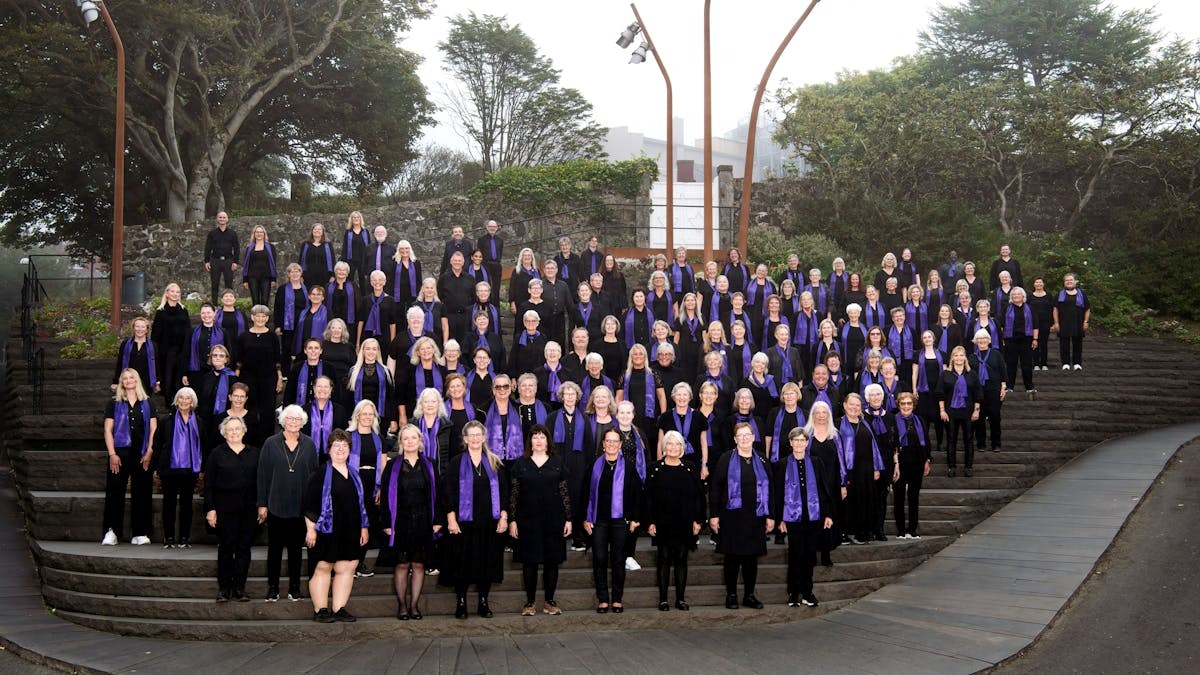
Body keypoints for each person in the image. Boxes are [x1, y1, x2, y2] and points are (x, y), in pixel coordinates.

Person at [441, 420, 509, 619]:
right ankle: (461, 602)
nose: (475, 439)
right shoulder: (456, 463)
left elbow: (504, 493)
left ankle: (483, 602)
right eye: (471, 435)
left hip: (489, 521)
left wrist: (504, 517)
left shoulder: (495, 462)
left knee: (487, 561)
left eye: (478, 435)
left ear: (484, 437)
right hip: (464, 522)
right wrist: (451, 519)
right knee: (462, 561)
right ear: (465, 439)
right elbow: (448, 492)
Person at [304, 429, 370, 623]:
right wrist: (311, 530)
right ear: (329, 449)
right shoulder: (319, 474)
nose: (340, 449)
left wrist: (364, 527)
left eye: (344, 446)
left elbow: (361, 505)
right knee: (323, 566)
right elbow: (308, 504)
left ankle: (339, 608)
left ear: (350, 449)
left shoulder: (355, 474)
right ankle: (321, 610)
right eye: (336, 446)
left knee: (347, 566)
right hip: (326, 529)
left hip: (351, 529)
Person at [378, 424, 441, 621]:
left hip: (423, 521)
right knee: (402, 565)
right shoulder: (392, 466)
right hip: (400, 522)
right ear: (400, 442)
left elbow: (438, 494)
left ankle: (414, 606)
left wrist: (438, 520)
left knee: (419, 565)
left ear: (420, 441)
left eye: (414, 438)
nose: (410, 441)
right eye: (406, 438)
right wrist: (386, 523)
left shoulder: (430, 464)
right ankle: (402, 606)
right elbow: (385, 496)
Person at [508, 425, 572, 616]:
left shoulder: (558, 462)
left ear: (548, 441)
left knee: (552, 561)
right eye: (535, 437)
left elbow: (565, 492)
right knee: (530, 562)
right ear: (530, 441)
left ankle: (549, 602)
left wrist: (569, 519)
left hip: (554, 519)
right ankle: (530, 603)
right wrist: (512, 520)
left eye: (542, 437)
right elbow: (513, 494)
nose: (538, 441)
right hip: (527, 520)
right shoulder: (520, 464)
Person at [258, 405, 320, 601]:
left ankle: (294, 588)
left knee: (296, 550)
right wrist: (262, 504)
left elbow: (314, 477)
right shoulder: (270, 443)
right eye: (290, 418)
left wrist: (312, 508)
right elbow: (262, 475)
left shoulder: (309, 444)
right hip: (275, 504)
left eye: (297, 419)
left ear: (302, 423)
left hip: (300, 507)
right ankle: (273, 588)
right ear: (283, 421)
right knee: (274, 550)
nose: (293, 422)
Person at [710, 422, 773, 609]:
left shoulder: (762, 459)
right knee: (732, 558)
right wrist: (714, 515)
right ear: (735, 439)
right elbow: (716, 488)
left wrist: (771, 515)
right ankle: (731, 595)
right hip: (731, 517)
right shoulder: (725, 459)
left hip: (756, 517)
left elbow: (772, 489)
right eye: (740, 435)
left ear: (753, 437)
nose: (744, 438)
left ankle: (749, 595)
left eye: (747, 435)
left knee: (751, 559)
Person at [771, 427, 835, 608]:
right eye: (796, 440)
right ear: (791, 442)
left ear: (807, 443)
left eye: (802, 440)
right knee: (795, 554)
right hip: (792, 518)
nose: (799, 443)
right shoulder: (782, 464)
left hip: (813, 516)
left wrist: (828, 514)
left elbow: (824, 489)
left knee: (809, 555)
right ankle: (794, 592)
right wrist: (780, 519)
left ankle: (808, 592)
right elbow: (778, 494)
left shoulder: (816, 462)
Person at [584, 427, 643, 613]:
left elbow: (637, 494)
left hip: (620, 521)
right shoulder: (594, 466)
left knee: (618, 560)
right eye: (608, 441)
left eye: (614, 441)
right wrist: (586, 518)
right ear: (603, 444)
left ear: (620, 444)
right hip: (599, 520)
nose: (611, 444)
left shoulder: (629, 467)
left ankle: (617, 599)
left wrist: (635, 518)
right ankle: (603, 599)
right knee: (599, 559)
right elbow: (585, 494)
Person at [645, 430, 704, 611]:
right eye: (669, 443)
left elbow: (699, 496)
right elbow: (648, 497)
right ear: (664, 446)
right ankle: (663, 600)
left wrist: (698, 520)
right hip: (662, 521)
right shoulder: (655, 468)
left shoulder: (690, 467)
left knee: (681, 559)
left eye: (677, 444)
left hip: (685, 521)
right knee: (663, 559)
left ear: (682, 447)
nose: (673, 447)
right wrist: (650, 521)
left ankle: (680, 599)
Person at [204, 416, 261, 602]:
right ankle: (224, 589)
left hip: (249, 509)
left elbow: (262, 482)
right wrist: (210, 509)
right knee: (226, 548)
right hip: (224, 510)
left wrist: (262, 505)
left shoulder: (255, 453)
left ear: (244, 431)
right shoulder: (216, 454)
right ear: (224, 433)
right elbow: (208, 485)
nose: (234, 432)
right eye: (230, 429)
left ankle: (239, 589)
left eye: (237, 428)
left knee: (244, 549)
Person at [102, 369, 158, 546]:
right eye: (125, 378)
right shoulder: (114, 403)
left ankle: (140, 532)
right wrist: (112, 453)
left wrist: (149, 451)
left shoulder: (149, 403)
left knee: (142, 491)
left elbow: (153, 429)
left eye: (131, 377)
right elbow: (108, 430)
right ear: (121, 382)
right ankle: (112, 531)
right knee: (115, 492)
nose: (128, 380)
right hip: (119, 453)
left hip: (142, 453)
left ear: (137, 380)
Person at [155, 387, 204, 549]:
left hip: (190, 469)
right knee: (168, 503)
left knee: (186, 504)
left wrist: (202, 468)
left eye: (188, 398)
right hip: (169, 468)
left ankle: (184, 537)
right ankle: (168, 537)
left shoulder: (199, 422)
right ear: (176, 401)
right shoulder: (166, 421)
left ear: (192, 402)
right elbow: (158, 444)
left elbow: (203, 445)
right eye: (181, 397)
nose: (184, 401)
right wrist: (157, 467)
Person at [839, 393, 883, 545]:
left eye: (857, 405)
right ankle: (845, 532)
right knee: (848, 502)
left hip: (866, 470)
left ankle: (861, 531)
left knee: (864, 501)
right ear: (845, 405)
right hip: (848, 470)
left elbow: (874, 446)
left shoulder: (865, 423)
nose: (854, 407)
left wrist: (876, 468)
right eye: (851, 404)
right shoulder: (838, 424)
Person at [235, 305, 281, 441]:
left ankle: (267, 442)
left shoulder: (273, 336)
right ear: (252, 317)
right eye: (257, 316)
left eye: (263, 316)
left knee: (268, 411)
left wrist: (279, 378)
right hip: (248, 378)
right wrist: (237, 377)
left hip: (268, 378)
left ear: (267, 318)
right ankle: (249, 440)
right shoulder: (243, 336)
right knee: (249, 409)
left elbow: (277, 359)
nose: (260, 319)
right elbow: (239, 359)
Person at [939, 347, 982, 478]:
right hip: (950, 412)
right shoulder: (945, 374)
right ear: (952, 358)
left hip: (968, 412)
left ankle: (968, 467)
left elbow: (978, 393)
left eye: (961, 355)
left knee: (968, 439)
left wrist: (976, 410)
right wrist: (942, 410)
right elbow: (940, 393)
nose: (959, 358)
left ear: (965, 358)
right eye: (956, 355)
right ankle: (951, 467)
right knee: (951, 439)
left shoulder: (972, 374)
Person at [892, 393, 930, 539]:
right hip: (899, 464)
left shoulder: (920, 420)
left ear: (913, 405)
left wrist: (927, 460)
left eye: (909, 403)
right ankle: (901, 529)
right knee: (899, 497)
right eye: (903, 403)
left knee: (914, 497)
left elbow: (926, 441)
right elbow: (891, 444)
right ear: (898, 405)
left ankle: (912, 529)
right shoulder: (893, 420)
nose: (906, 406)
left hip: (917, 463)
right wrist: (895, 463)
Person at [152, 284, 190, 404]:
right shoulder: (160, 312)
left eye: (178, 292)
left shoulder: (184, 311)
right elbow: (155, 335)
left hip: (181, 351)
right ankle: (169, 405)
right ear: (167, 294)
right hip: (165, 353)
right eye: (172, 291)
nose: (175, 294)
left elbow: (188, 332)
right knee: (167, 380)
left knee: (178, 381)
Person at [970, 330, 1007, 454]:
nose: (982, 341)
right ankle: (981, 443)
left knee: (995, 417)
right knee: (979, 419)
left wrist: (1003, 387)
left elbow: (1003, 370)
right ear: (976, 341)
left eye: (984, 338)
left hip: (994, 390)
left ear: (989, 340)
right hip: (978, 392)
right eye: (979, 338)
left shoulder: (996, 354)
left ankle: (996, 443)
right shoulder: (972, 357)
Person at [182, 303, 226, 389]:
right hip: (196, 372)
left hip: (217, 372)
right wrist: (184, 374)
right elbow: (186, 353)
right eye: (203, 313)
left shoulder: (223, 332)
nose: (206, 315)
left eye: (209, 312)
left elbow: (228, 352)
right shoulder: (192, 331)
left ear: (214, 313)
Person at [1052, 273, 1091, 370]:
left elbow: (1087, 309)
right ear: (1064, 282)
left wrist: (1086, 321)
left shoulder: (1082, 294)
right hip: (1063, 322)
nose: (1069, 282)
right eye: (1067, 280)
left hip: (1078, 322)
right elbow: (1055, 309)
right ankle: (1065, 363)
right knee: (1064, 343)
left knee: (1077, 343)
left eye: (1071, 280)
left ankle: (1077, 363)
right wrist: (1056, 323)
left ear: (1075, 281)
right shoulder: (1059, 294)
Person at [303, 376, 347, 460]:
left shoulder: (340, 410)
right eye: (319, 386)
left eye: (326, 386)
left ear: (331, 389)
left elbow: (344, 435)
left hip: (334, 457)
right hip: (307, 456)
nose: (322, 389)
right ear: (314, 388)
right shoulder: (303, 410)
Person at [1003, 287, 1038, 395]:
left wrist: (1035, 339)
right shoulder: (1006, 308)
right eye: (1014, 294)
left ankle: (1029, 387)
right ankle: (1009, 387)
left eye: (1018, 294)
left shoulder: (1030, 308)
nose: (1016, 296)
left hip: (1026, 339)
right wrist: (1002, 339)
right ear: (1011, 297)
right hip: (1010, 340)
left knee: (1026, 364)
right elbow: (1001, 325)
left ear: (1023, 296)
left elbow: (1035, 324)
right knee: (1010, 365)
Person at [114, 317, 158, 396]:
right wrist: (115, 382)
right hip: (129, 381)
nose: (140, 329)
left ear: (147, 329)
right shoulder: (125, 344)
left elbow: (157, 364)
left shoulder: (153, 345)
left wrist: (157, 382)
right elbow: (120, 363)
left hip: (146, 382)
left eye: (143, 327)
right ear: (133, 328)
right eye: (137, 326)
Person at [274, 264, 308, 369]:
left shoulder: (306, 289)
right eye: (292, 272)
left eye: (297, 271)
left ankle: (300, 370)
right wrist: (277, 325)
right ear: (288, 274)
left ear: (301, 273)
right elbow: (277, 308)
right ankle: (286, 372)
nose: (295, 274)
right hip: (287, 324)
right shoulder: (282, 289)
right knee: (287, 348)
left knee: (302, 347)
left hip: (302, 323)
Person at [437, 252, 475, 344]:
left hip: (465, 317)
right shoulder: (443, 278)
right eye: (455, 260)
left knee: (464, 343)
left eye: (459, 261)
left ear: (463, 262)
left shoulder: (470, 278)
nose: (457, 262)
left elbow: (473, 296)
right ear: (451, 262)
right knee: (450, 343)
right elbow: (439, 296)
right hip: (449, 316)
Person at [204, 211, 239, 302]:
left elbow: (236, 248)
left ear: (227, 219)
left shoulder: (232, 233)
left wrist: (235, 262)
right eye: (220, 217)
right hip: (215, 261)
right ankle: (214, 304)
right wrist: (207, 261)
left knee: (229, 284)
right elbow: (208, 248)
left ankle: (229, 303)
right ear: (217, 219)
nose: (222, 219)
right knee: (214, 284)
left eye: (224, 217)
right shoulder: (212, 233)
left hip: (228, 261)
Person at [285, 338, 327, 410]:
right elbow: (289, 391)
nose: (313, 350)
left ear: (321, 351)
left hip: (323, 410)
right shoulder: (297, 367)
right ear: (305, 350)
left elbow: (334, 392)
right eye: (310, 348)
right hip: (300, 410)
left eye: (316, 348)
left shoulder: (328, 368)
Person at [241, 224, 276, 307]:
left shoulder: (270, 247)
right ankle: (255, 316)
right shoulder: (249, 248)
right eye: (257, 232)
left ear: (264, 234)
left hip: (266, 277)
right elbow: (246, 264)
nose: (259, 234)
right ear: (254, 234)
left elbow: (273, 263)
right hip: (252, 277)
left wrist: (273, 279)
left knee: (265, 300)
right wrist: (245, 280)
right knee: (255, 301)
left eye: (261, 232)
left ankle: (264, 316)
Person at [293, 285, 330, 358]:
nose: (315, 296)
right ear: (309, 296)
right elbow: (297, 331)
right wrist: (293, 350)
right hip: (303, 348)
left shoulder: (328, 312)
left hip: (319, 350)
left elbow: (329, 332)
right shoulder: (303, 312)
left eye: (318, 294)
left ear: (323, 297)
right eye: (313, 294)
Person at [299, 222, 335, 291]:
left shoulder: (328, 244)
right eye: (315, 229)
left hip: (324, 276)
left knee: (324, 294)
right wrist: (300, 275)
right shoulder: (306, 244)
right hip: (308, 276)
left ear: (323, 232)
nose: (317, 231)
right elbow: (301, 260)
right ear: (312, 231)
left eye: (319, 229)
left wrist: (333, 275)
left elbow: (333, 260)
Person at [1028, 277, 1054, 370]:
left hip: (1045, 323)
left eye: (1040, 282)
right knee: (1034, 343)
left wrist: (1052, 323)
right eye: (1037, 282)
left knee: (1044, 343)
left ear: (1043, 284)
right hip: (1033, 324)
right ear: (1034, 284)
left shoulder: (1049, 296)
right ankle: (1036, 364)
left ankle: (1044, 364)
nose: (1038, 284)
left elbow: (1052, 310)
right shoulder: (1030, 296)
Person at [341, 211, 371, 285]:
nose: (356, 219)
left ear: (360, 219)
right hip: (351, 260)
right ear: (351, 219)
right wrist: (343, 261)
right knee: (349, 280)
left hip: (363, 260)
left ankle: (364, 293)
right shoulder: (348, 232)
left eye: (358, 217)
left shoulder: (365, 231)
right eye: (354, 217)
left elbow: (369, 246)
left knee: (363, 281)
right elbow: (345, 247)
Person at [392, 239, 423, 309]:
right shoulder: (394, 262)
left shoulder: (416, 263)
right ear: (399, 250)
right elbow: (391, 279)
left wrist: (419, 294)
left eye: (406, 248)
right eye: (402, 248)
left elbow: (419, 280)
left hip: (412, 293)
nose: (404, 250)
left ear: (410, 249)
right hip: (398, 294)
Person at [363, 225, 395, 292]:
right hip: (372, 279)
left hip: (387, 280)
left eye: (382, 232)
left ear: (386, 234)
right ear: (374, 234)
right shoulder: (368, 248)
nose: (380, 234)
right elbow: (364, 262)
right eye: (377, 232)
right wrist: (366, 275)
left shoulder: (392, 248)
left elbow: (395, 263)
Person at [326, 261, 357, 327]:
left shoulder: (353, 286)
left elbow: (358, 304)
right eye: (339, 270)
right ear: (335, 271)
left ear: (347, 273)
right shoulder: (328, 286)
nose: (341, 272)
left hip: (348, 321)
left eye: (344, 270)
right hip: (332, 320)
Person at [479, 220, 505, 288]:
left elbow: (500, 252)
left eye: (494, 226)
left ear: (497, 228)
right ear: (487, 227)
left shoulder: (500, 240)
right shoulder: (481, 240)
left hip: (497, 265)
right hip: (486, 265)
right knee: (487, 285)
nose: (492, 228)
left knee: (497, 286)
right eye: (490, 226)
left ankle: (496, 296)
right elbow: (479, 253)